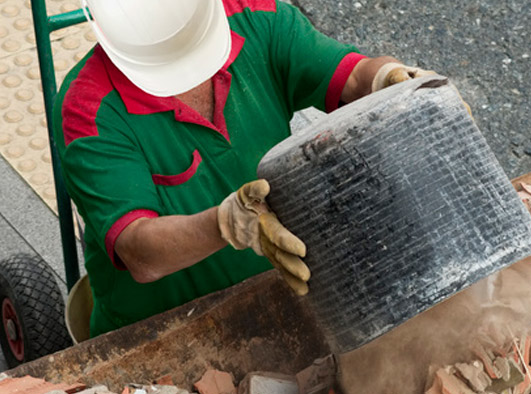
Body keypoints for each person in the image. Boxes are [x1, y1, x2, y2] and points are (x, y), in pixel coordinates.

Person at [55, 0, 438, 337]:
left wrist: (388, 78)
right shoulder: (88, 109)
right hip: (159, 329)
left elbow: (352, 75)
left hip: (283, 294)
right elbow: (140, 252)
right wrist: (226, 223)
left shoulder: (257, 19)